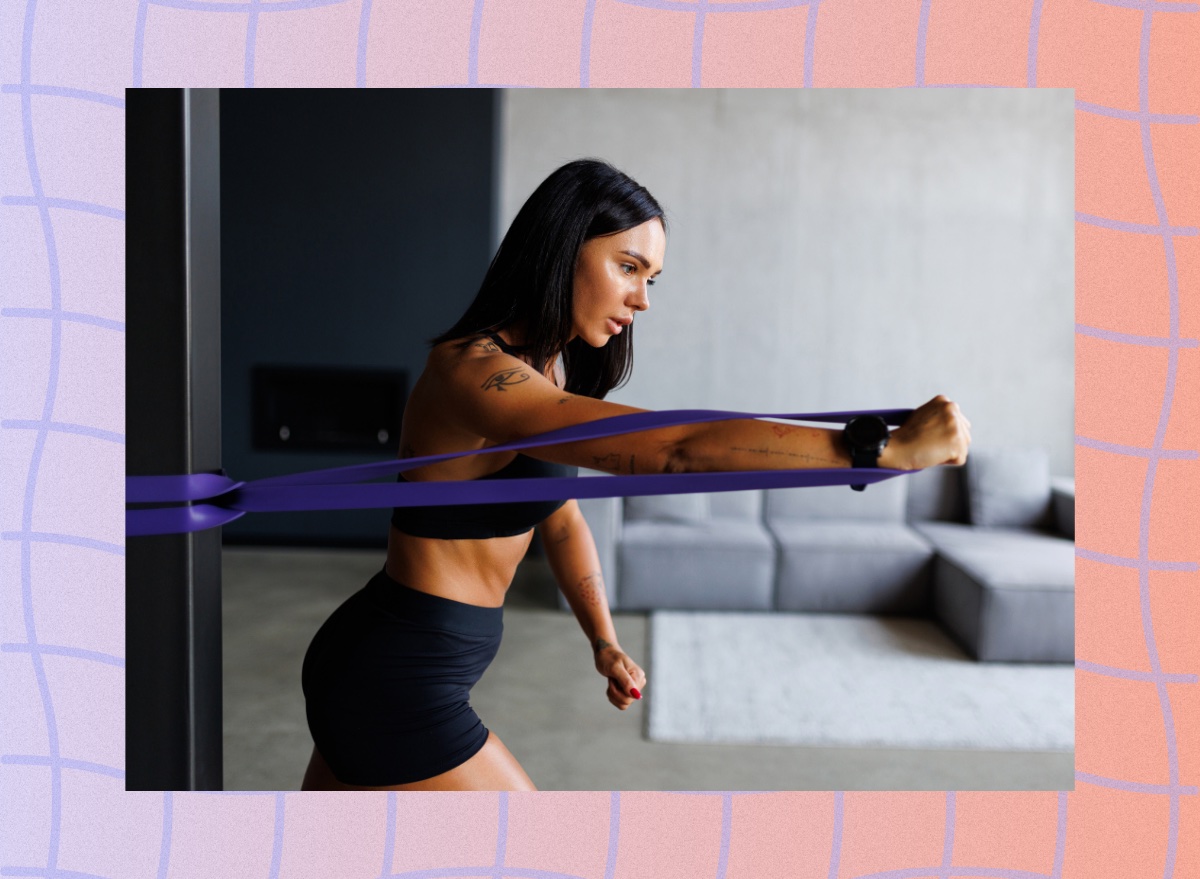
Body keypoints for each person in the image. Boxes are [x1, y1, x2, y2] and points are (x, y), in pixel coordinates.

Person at [299, 158, 971, 791]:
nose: (642, 299)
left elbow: (557, 514)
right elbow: (675, 449)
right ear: (563, 249)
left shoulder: (544, 372)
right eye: (628, 266)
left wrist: (604, 640)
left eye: (650, 277)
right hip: (396, 681)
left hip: (386, 666)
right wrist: (878, 451)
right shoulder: (474, 372)